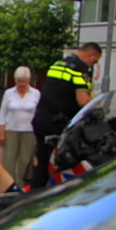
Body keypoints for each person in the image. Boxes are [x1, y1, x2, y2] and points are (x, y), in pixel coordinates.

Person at [30, 42, 101, 188]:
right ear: (91, 54)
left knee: (42, 162)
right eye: (94, 62)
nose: (92, 66)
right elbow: (82, 101)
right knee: (61, 163)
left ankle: (35, 191)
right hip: (57, 123)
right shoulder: (80, 69)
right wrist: (96, 106)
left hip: (41, 117)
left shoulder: (59, 63)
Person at [0, 66, 40, 185]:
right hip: (11, 130)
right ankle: (7, 185)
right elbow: (3, 113)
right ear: (15, 80)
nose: (21, 84)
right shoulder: (9, 93)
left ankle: (22, 185)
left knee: (26, 161)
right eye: (19, 81)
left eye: (24, 81)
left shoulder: (36, 94)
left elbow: (38, 113)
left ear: (29, 81)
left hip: (29, 131)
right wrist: (2, 132)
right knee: (8, 160)